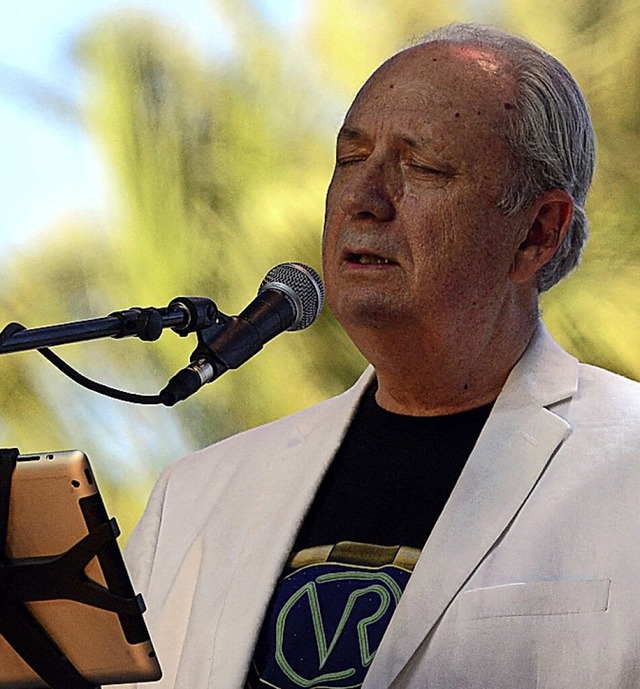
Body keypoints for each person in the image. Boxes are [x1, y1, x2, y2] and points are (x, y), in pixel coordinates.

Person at [115, 23, 640, 689]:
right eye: (349, 159)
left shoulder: (628, 461)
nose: (363, 200)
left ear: (536, 232)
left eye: (421, 167)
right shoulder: (195, 495)